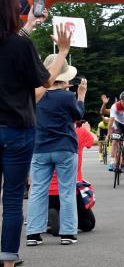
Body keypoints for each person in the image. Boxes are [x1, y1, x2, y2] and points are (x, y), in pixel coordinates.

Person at [0, 0, 71, 267]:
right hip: (17, 129)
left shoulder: (16, 41)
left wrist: (29, 28)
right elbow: (46, 79)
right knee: (13, 200)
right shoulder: (20, 46)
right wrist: (63, 51)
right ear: (13, 11)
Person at [26, 56, 87, 247]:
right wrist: (81, 96)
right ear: (64, 78)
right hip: (64, 147)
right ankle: (67, 232)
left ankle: (33, 233)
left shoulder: (35, 95)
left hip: (40, 147)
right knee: (67, 190)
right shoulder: (67, 96)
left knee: (37, 190)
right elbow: (78, 116)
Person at [47, 121, 98, 235]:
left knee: (47, 205)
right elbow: (95, 140)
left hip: (48, 191)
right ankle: (62, 221)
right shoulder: (79, 132)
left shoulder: (45, 132)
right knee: (89, 223)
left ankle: (49, 218)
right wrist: (88, 130)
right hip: (71, 189)